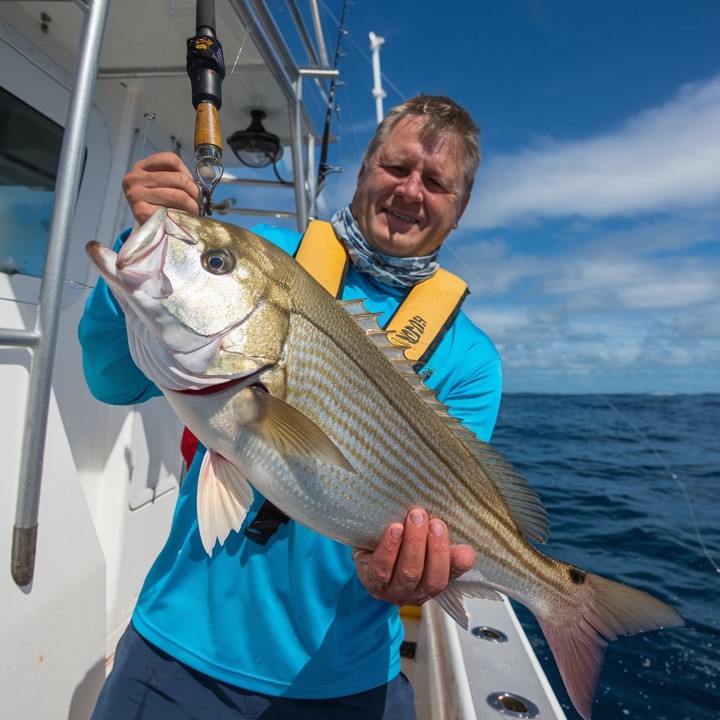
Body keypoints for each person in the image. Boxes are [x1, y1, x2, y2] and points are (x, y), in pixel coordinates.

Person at [79, 94, 502, 719]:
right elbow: (112, 380)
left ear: (459, 208)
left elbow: (441, 511)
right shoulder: (257, 258)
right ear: (363, 168)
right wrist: (146, 245)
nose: (411, 191)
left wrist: (416, 571)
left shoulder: (471, 360)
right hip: (176, 649)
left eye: (436, 182)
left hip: (346, 680)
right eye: (396, 167)